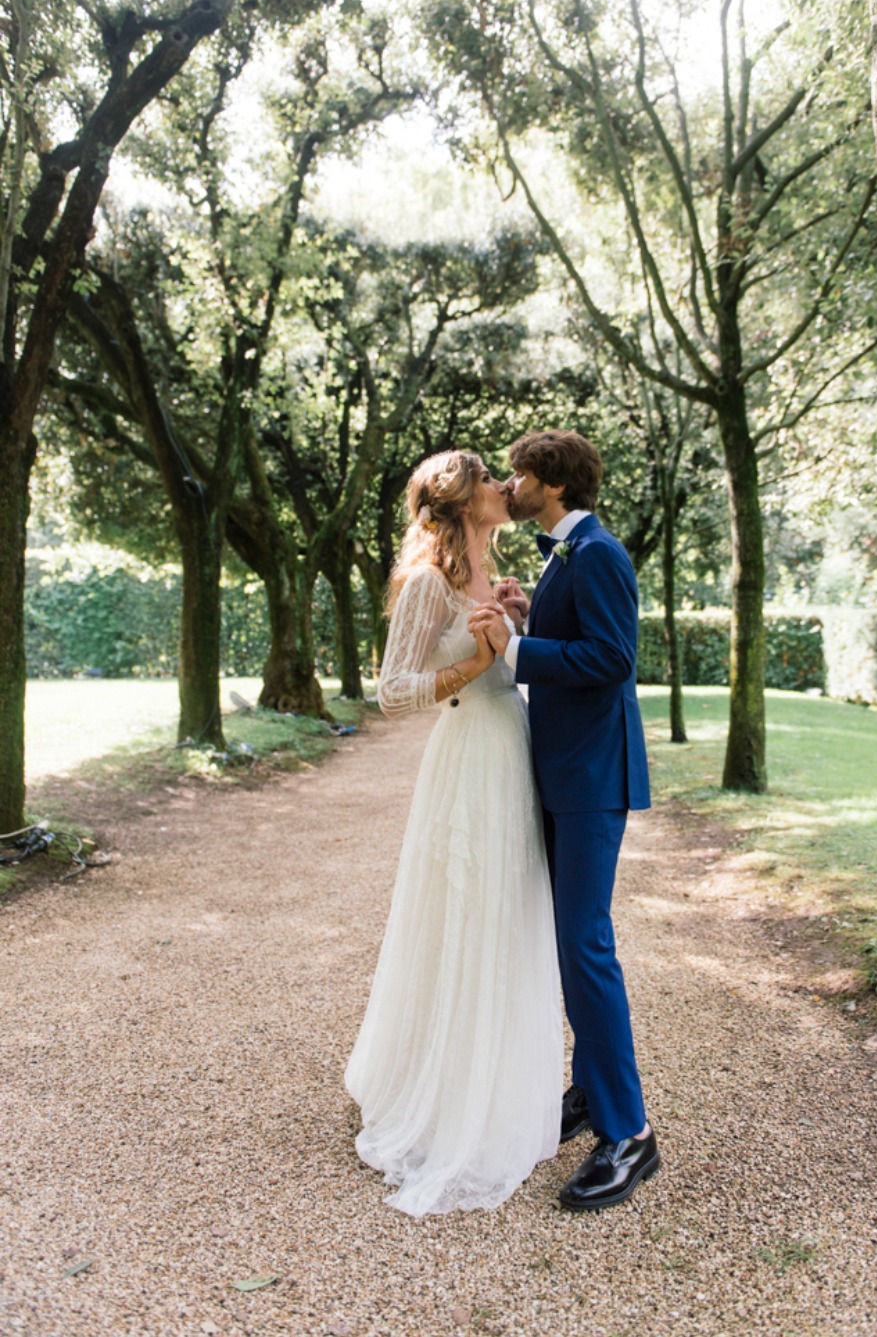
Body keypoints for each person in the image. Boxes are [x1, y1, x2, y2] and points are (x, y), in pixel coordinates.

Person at [344, 449, 562, 1217]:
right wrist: (475, 661)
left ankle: (498, 1084)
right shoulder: (429, 581)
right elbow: (392, 691)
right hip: (468, 755)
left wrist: (514, 618)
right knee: (464, 916)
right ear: (466, 501)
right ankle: (440, 1096)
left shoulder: (487, 573)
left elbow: (510, 661)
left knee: (507, 918)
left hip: (513, 750)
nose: (508, 489)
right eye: (493, 482)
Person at [470, 429, 658, 1212]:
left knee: (586, 944)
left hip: (590, 778)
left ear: (551, 481)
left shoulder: (603, 553)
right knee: (568, 942)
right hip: (560, 773)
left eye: (519, 473)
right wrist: (528, 616)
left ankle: (630, 1132)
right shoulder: (563, 554)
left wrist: (518, 649)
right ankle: (588, 1089)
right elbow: (573, 639)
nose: (510, 484)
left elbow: (612, 659)